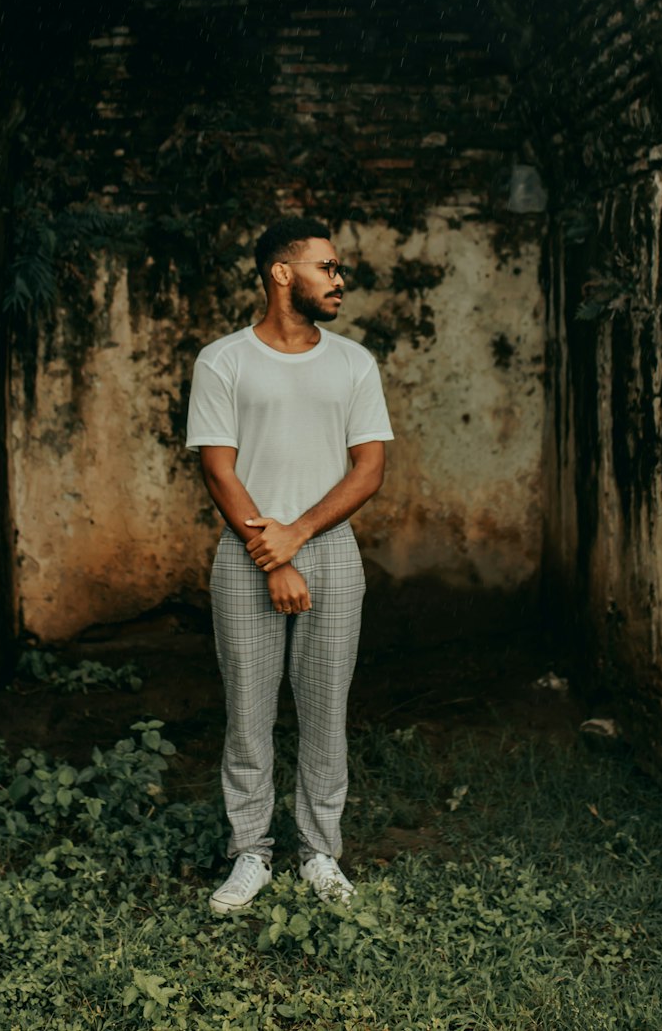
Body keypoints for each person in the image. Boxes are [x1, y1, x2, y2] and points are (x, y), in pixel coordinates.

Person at [186, 216, 393, 913]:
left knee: (325, 712)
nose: (341, 279)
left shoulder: (353, 364)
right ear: (282, 274)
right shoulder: (224, 361)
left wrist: (297, 537)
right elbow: (219, 469)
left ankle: (319, 853)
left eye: (339, 269)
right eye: (328, 267)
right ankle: (250, 852)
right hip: (248, 550)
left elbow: (369, 471)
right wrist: (271, 554)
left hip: (329, 551)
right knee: (247, 715)